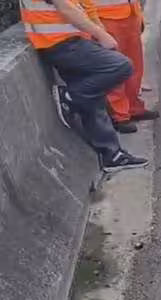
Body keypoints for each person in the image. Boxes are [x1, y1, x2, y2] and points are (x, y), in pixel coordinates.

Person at [20, 0, 148, 172]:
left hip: (69, 40)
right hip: (60, 43)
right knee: (120, 66)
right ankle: (71, 97)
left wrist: (95, 28)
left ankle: (112, 155)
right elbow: (65, 8)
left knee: (92, 97)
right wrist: (101, 35)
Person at [94, 0, 159, 133]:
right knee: (115, 68)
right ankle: (119, 114)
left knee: (134, 65)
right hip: (106, 17)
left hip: (130, 13)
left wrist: (138, 14)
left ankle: (132, 107)